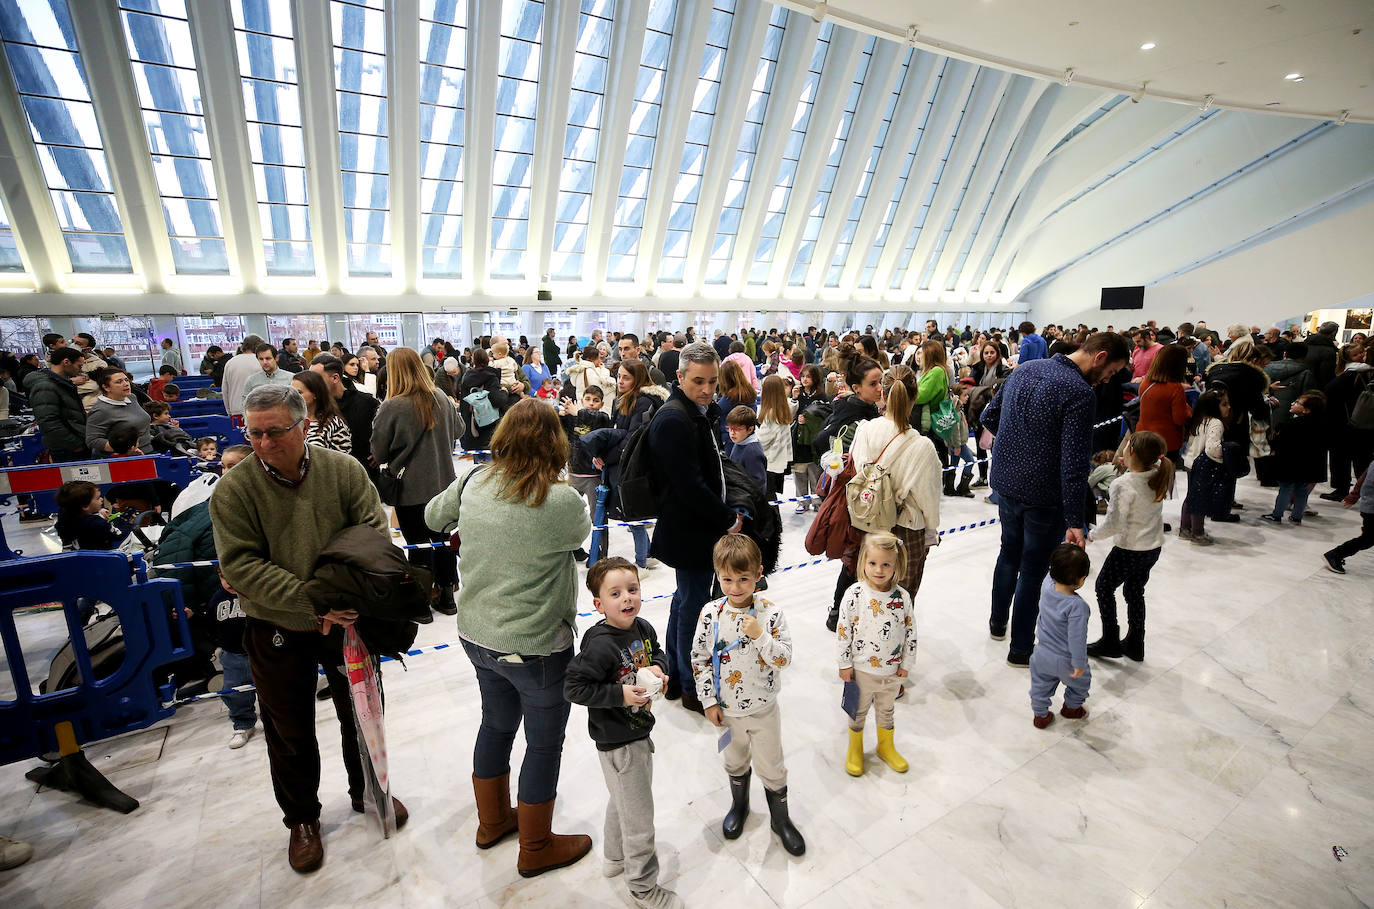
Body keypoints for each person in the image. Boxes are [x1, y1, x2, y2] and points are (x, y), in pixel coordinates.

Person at [209, 385, 409, 873]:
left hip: (346, 625)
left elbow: (370, 538)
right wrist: (312, 599)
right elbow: (240, 567)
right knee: (289, 730)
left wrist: (340, 602)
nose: (264, 443)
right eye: (254, 433)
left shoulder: (343, 472)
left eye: (276, 431)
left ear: (303, 426)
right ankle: (301, 820)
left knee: (361, 716)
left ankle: (368, 789)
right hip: (277, 627)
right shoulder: (234, 490)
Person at [424, 399, 592, 878]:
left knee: (495, 725)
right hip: (536, 643)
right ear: (555, 443)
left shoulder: (476, 480)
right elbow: (579, 537)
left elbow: (435, 517)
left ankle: (492, 821)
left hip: (477, 633)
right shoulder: (559, 500)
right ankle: (536, 846)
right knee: (543, 744)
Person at [980, 332, 1131, 667]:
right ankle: (1020, 649)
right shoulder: (1078, 392)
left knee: (1008, 553)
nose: (1107, 379)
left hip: (1005, 482)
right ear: (1100, 356)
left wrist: (1016, 443)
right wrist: (1075, 520)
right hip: (1043, 496)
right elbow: (1074, 464)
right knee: (1033, 569)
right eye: (1110, 372)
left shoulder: (1025, 369)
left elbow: (989, 418)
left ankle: (997, 623)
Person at [563, 558, 681, 909]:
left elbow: (658, 653)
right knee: (640, 819)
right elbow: (573, 687)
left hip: (638, 732)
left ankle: (615, 858)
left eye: (632, 589)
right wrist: (619, 694)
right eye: (615, 594)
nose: (627, 598)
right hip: (619, 743)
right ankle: (643, 889)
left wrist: (659, 668)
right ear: (598, 604)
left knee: (623, 802)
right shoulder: (599, 645)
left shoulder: (641, 627)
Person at [690, 535, 804, 856]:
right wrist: (709, 700)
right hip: (728, 712)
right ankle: (739, 807)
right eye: (727, 579)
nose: (735, 587)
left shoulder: (771, 613)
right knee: (735, 760)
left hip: (764, 709)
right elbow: (699, 659)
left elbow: (783, 658)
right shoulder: (710, 614)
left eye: (743, 578)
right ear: (717, 575)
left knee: (772, 766)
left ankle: (780, 820)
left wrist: (760, 636)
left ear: (758, 574)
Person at [646, 341, 743, 714]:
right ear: (680, 377)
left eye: (712, 382)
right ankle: (689, 684)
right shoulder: (675, 419)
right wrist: (725, 519)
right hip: (691, 529)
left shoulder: (696, 412)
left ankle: (675, 671)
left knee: (685, 600)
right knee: (694, 606)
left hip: (695, 525)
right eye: (698, 381)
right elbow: (688, 485)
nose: (707, 389)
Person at [373, 348, 462, 616]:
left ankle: (422, 602)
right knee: (443, 541)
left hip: (409, 487)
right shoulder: (442, 399)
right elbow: (459, 430)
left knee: (418, 546)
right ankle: (447, 597)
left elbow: (379, 452)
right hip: (445, 484)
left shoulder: (392, 405)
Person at [1085, 431, 1171, 662]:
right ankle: (1136, 641)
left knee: (1104, 587)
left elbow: (1114, 523)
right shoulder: (1157, 474)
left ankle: (1110, 640)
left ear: (1131, 452)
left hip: (1129, 548)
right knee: (1134, 591)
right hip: (1152, 548)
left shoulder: (1123, 484)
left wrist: (1092, 536)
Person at [836, 531, 917, 777]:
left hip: (891, 671)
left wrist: (906, 663)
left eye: (885, 564)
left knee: (886, 709)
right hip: (861, 671)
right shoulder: (854, 595)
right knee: (858, 711)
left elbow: (910, 632)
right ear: (864, 562)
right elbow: (843, 631)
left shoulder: (902, 597)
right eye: (872, 563)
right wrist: (844, 663)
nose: (879, 570)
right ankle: (855, 748)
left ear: (896, 565)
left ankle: (885, 746)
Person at [1029, 544, 1092, 729]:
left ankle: (1040, 716)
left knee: (1039, 687)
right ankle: (1071, 708)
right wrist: (1079, 664)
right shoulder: (1077, 607)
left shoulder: (1047, 586)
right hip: (1067, 660)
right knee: (1081, 684)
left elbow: (1055, 569)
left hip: (1041, 654)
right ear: (1081, 580)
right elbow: (1077, 639)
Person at [560, 384, 612, 561]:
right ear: (582, 400)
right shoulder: (574, 417)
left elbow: (597, 419)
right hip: (574, 475)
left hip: (593, 478)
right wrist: (562, 415)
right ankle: (574, 548)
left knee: (597, 517)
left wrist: (578, 413)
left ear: (601, 403)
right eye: (588, 399)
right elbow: (560, 432)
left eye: (596, 401)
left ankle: (600, 554)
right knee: (569, 514)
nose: (591, 403)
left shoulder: (602, 418)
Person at [1263, 392, 1327, 526]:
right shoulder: (1321, 425)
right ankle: (1297, 516)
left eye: (1297, 402)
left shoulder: (1292, 424)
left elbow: (1280, 443)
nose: (1293, 403)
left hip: (1290, 463)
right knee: (1302, 490)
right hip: (1308, 465)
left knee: (1285, 489)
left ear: (1306, 410)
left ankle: (1277, 514)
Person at [309, 353, 379, 476]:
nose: (311, 384)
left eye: (316, 379)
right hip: (331, 476)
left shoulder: (367, 402)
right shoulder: (314, 406)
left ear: (335, 378)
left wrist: (379, 453)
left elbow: (384, 432)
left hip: (366, 475)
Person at [1179, 390, 1232, 546]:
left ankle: (1185, 528)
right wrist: (1225, 454)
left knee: (1191, 496)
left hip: (1190, 462)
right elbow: (1212, 448)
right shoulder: (1216, 423)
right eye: (1224, 404)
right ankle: (1198, 532)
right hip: (1204, 465)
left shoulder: (1198, 419)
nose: (1228, 407)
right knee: (1200, 499)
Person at [24, 347, 89, 462]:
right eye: (79, 366)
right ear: (66, 362)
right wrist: (75, 444)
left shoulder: (61, 384)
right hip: (67, 449)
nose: (80, 370)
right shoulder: (45, 387)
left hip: (73, 445)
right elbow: (48, 422)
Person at [911, 340, 955, 494]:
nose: (919, 357)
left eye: (921, 353)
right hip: (931, 420)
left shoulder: (936, 372)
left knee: (936, 451)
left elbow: (921, 396)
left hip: (930, 421)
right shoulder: (934, 371)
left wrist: (905, 392)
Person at [1136, 345, 1193, 462]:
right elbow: (1179, 419)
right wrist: (1188, 409)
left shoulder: (1145, 383)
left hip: (1144, 438)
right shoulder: (1175, 388)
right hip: (1167, 443)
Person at [86, 368, 153, 457]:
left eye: (126, 380)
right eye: (119, 382)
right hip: (125, 459)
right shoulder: (100, 410)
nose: (126, 384)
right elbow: (92, 440)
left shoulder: (131, 398)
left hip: (148, 451)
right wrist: (124, 449)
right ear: (106, 387)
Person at [790, 364, 830, 512]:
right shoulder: (798, 394)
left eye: (808, 376)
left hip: (813, 441)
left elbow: (825, 417)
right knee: (799, 473)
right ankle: (802, 502)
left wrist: (810, 420)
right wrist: (793, 398)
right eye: (803, 376)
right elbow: (789, 416)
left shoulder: (821, 396)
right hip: (798, 440)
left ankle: (817, 501)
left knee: (814, 473)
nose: (805, 379)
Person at [459, 348, 510, 459]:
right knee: (490, 465)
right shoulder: (492, 377)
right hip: (489, 426)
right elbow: (497, 400)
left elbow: (464, 404)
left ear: (473, 360)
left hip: (474, 426)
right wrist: (504, 393)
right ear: (487, 360)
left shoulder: (467, 377)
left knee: (478, 466)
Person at [1323, 466, 1373, 574]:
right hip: (1371, 508)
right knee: (1368, 539)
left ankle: (1335, 555)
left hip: (1370, 506)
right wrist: (1353, 496)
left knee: (1368, 539)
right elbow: (1365, 479)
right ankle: (1334, 555)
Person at [290, 369, 351, 454]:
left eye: (299, 392)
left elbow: (343, 461)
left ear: (315, 394)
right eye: (292, 392)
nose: (293, 397)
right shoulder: (288, 421)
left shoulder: (334, 424)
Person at [755, 374, 793, 500]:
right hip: (779, 460)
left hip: (769, 462)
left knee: (768, 498)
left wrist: (752, 431)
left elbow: (762, 440)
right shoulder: (783, 410)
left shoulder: (770, 414)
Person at [715, 359, 756, 456]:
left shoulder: (730, 397)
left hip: (731, 438)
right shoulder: (749, 391)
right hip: (747, 434)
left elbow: (717, 411)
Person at [220, 334, 266, 417]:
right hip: (259, 410)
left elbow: (225, 389)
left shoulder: (230, 362)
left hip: (236, 410)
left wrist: (229, 412)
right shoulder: (262, 361)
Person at [725, 405, 768, 494]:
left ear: (750, 429)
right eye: (730, 428)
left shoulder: (752, 452)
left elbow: (758, 484)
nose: (732, 433)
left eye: (737, 429)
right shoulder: (740, 442)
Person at [565, 345, 613, 414]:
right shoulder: (590, 372)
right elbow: (599, 388)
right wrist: (603, 370)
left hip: (582, 405)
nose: (599, 361)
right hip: (591, 407)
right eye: (598, 358)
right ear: (589, 360)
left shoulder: (577, 370)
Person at [1304, 321, 1340, 388]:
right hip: (1317, 385)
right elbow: (1327, 373)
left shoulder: (1305, 343)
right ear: (1333, 333)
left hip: (1302, 382)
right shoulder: (1329, 350)